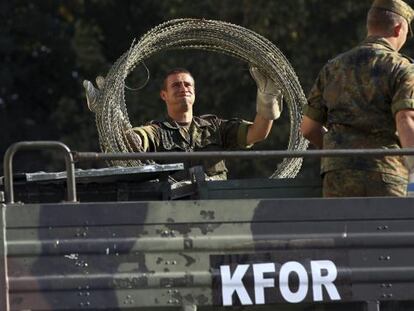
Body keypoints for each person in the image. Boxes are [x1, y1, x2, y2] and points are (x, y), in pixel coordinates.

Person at [85, 67, 283, 180]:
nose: (183, 88)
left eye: (188, 85)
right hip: (174, 210)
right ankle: (105, 106)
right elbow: (132, 141)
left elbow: (258, 133)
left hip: (217, 205)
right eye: (176, 85)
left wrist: (268, 99)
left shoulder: (214, 127)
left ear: (194, 93)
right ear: (164, 95)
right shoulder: (157, 131)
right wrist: (110, 114)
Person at [300, 0, 414, 197]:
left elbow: (308, 128)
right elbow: (405, 119)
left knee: (341, 228)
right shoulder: (401, 68)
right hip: (385, 171)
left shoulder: (333, 67)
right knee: (386, 228)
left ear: (369, 26)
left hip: (337, 175)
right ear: (398, 29)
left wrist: (339, 152)